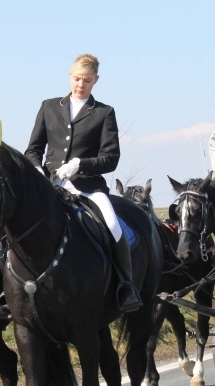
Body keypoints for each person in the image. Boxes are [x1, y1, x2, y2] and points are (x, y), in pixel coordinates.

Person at [24, 53, 141, 312]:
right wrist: (35, 168)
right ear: (70, 77)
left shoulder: (103, 113)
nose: (81, 85)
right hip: (50, 185)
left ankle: (126, 285)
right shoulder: (48, 106)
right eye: (77, 79)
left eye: (87, 80)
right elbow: (33, 148)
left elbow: (111, 158)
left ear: (95, 81)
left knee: (112, 224)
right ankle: (10, 290)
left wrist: (80, 164)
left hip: (87, 186)